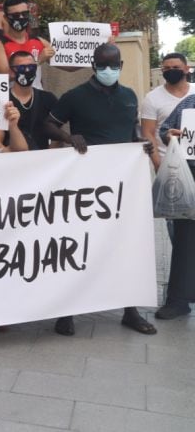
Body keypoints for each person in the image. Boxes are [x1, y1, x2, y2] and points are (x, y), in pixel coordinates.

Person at [43, 43, 157, 337]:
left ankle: (129, 310)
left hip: (122, 185)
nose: (109, 70)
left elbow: (131, 133)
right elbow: (48, 124)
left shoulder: (130, 96)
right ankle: (66, 312)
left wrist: (141, 145)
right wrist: (69, 138)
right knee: (79, 245)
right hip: (85, 185)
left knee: (124, 245)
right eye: (103, 65)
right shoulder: (75, 97)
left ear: (120, 65)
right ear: (93, 65)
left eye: (114, 65)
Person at [157, 94, 195, 320]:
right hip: (191, 179)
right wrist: (169, 135)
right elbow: (166, 129)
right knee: (185, 241)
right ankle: (178, 300)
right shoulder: (190, 104)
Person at [0, 51, 59, 151]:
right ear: (12, 71)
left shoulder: (48, 98)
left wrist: (48, 157)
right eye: (21, 68)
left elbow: (57, 135)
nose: (27, 70)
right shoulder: (0, 100)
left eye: (32, 67)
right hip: (12, 160)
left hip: (43, 160)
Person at [141, 53, 190, 169]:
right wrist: (158, 164)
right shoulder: (151, 98)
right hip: (170, 165)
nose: (171, 71)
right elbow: (148, 133)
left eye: (176, 68)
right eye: (167, 68)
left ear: (186, 69)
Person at [0, 0, 54, 77]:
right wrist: (37, 62)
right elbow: (4, 77)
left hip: (37, 89)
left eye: (25, 14)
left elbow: (65, 64)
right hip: (11, 89)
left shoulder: (39, 41)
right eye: (16, 15)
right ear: (6, 18)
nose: (21, 17)